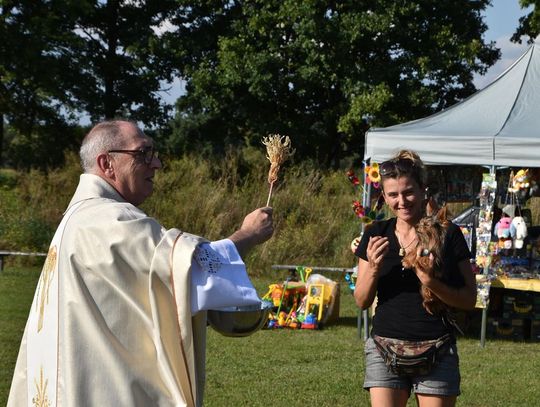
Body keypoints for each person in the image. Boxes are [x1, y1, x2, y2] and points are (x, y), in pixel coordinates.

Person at [7, 120, 274, 407]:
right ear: (107, 163)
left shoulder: (80, 217)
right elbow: (189, 270)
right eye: (143, 153)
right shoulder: (110, 221)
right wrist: (247, 235)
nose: (156, 163)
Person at [354, 150, 476, 407]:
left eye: (408, 192)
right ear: (384, 197)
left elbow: (468, 299)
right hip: (384, 348)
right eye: (393, 195)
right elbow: (362, 301)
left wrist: (430, 282)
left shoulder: (448, 235)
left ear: (423, 190)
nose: (402, 201)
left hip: (437, 348)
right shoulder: (376, 234)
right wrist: (374, 268)